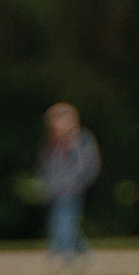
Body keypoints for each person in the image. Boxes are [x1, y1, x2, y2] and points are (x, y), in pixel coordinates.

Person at [39, 103, 100, 264]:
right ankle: (81, 248)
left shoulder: (81, 140)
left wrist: (78, 182)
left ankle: (66, 251)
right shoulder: (53, 142)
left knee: (64, 217)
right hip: (55, 187)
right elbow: (48, 164)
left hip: (72, 187)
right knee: (62, 218)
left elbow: (87, 164)